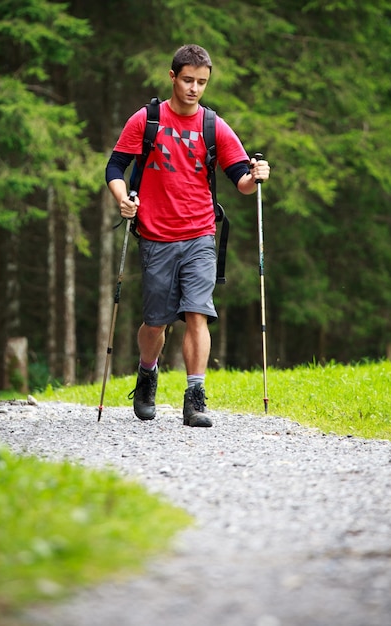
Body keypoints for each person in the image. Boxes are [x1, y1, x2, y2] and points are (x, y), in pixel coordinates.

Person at [105, 44, 270, 427]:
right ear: (172, 77)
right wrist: (122, 199)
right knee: (156, 322)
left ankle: (195, 397)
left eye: (202, 82)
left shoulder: (214, 126)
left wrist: (256, 177)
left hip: (200, 234)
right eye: (188, 80)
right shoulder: (146, 120)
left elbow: (241, 180)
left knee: (198, 314)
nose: (195, 88)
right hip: (156, 235)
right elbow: (115, 167)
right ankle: (147, 373)